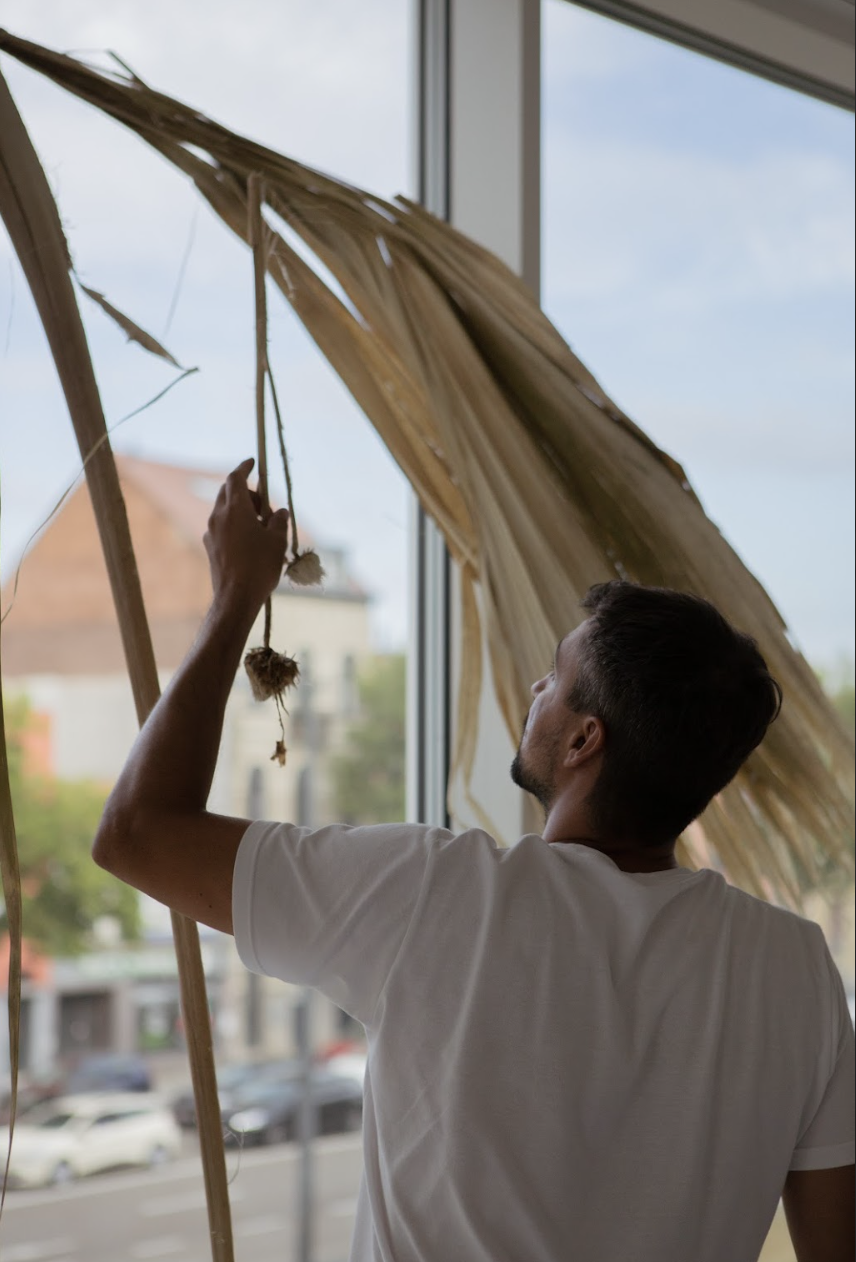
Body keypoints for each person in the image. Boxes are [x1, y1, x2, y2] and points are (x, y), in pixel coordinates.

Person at [94, 459, 855, 1262]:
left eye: (554, 678)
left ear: (582, 739)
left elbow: (137, 833)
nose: (535, 684)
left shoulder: (438, 895)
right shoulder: (797, 969)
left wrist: (234, 600)